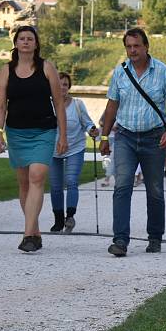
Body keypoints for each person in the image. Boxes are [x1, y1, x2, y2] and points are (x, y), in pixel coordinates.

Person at [99, 28, 166, 257]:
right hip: (125, 135)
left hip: (154, 137)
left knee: (154, 190)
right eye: (128, 46)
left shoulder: (162, 71)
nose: (132, 51)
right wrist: (105, 136)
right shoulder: (120, 72)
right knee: (122, 186)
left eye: (136, 46)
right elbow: (112, 104)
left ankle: (155, 237)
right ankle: (120, 240)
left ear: (146, 47)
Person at [0, 26, 68, 252]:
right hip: (16, 132)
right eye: (22, 39)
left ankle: (27, 235)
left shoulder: (47, 68)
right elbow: (1, 105)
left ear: (36, 44)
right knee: (24, 182)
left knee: (37, 176)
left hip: (44, 131)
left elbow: (59, 103)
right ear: (15, 43)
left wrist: (63, 134)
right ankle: (34, 232)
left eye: (30, 39)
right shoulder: (6, 70)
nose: (26, 42)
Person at [49, 72, 99, 233]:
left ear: (69, 87)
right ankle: (58, 220)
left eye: (65, 84)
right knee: (55, 186)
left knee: (71, 180)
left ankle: (69, 217)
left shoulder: (77, 104)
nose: (62, 87)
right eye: (59, 84)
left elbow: (87, 122)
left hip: (74, 147)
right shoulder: (47, 104)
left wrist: (92, 130)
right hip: (52, 149)